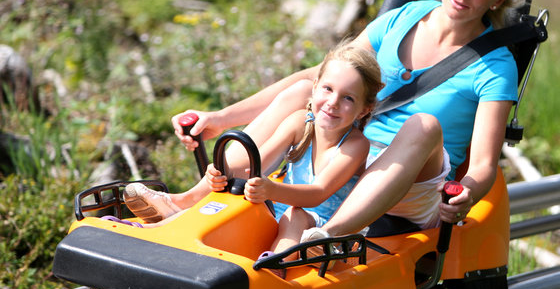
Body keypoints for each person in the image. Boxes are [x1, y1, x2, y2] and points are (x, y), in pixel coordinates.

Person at [147, 0, 527, 245]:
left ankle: (329, 236)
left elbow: (482, 165)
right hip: (348, 153)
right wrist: (221, 117)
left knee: (423, 124)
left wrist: (467, 194)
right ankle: (194, 199)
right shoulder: (405, 18)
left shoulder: (495, 67)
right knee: (306, 93)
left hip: (411, 183)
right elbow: (322, 76)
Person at [124, 44, 383, 254]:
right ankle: (160, 230)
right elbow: (255, 163)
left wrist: (270, 189)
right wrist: (220, 174)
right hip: (277, 209)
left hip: (320, 224)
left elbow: (317, 194)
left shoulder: (355, 145)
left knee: (295, 216)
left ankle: (277, 265)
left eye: (348, 98)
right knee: (233, 197)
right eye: (327, 89)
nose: (333, 102)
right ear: (314, 88)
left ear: (364, 109)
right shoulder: (299, 122)